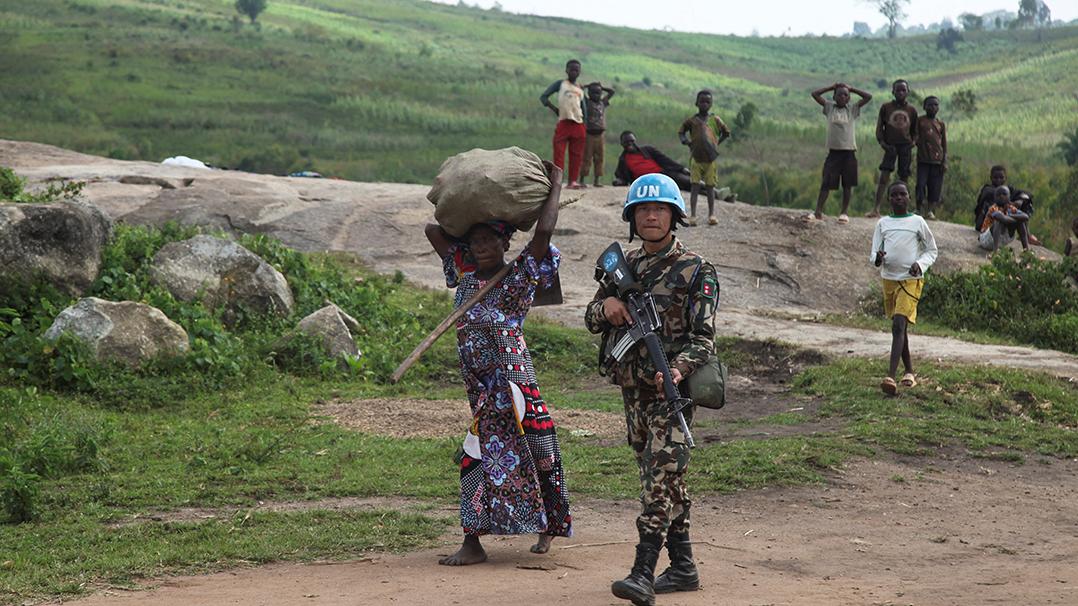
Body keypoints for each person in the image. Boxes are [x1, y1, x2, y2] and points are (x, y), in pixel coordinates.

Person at [424, 165, 572, 566]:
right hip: (480, 390)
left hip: (514, 385)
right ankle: (473, 541)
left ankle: (548, 527)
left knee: (537, 449)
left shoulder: (518, 276)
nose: (483, 247)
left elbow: (542, 235)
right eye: (476, 241)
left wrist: (556, 183)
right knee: (476, 455)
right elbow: (431, 230)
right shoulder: (465, 274)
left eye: (490, 239)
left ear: (505, 242)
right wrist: (468, 219)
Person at [584, 173, 719, 604]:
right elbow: (590, 319)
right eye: (643, 210)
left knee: (659, 478)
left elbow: (703, 339)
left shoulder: (697, 269)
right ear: (632, 218)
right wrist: (607, 306)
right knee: (663, 476)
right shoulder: (627, 267)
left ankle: (643, 572)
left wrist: (677, 370)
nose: (652, 216)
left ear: (674, 215)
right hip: (633, 393)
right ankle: (682, 568)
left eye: (659, 209)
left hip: (669, 391)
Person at [870, 181, 938, 395]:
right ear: (889, 199)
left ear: (909, 197)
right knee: (901, 327)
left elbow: (931, 250)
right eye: (894, 195)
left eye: (902, 194)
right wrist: (878, 259)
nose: (899, 198)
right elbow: (873, 253)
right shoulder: (883, 223)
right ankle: (909, 371)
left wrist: (921, 264)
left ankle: (890, 376)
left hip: (910, 279)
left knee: (898, 325)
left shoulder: (918, 221)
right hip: (889, 280)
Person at [808, 82, 873, 223]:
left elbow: (868, 97)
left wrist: (852, 88)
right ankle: (818, 211)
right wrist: (831, 86)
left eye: (845, 95)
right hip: (833, 153)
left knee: (847, 184)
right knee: (826, 182)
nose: (842, 97)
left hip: (849, 152)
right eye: (839, 94)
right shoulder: (829, 107)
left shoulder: (852, 109)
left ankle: (844, 212)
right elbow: (815, 94)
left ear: (849, 98)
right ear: (834, 96)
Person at [678, 90, 731, 227]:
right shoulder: (692, 120)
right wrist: (686, 141)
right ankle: (693, 215)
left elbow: (726, 132)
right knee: (694, 187)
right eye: (702, 101)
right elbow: (681, 131)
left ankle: (711, 214)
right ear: (697, 102)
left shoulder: (715, 120)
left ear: (711, 104)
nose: (704, 104)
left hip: (711, 158)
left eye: (707, 101)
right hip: (696, 158)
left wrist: (716, 143)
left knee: (710, 187)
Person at [867, 80, 918, 218]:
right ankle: (876, 208)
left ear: (908, 92)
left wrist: (913, 143)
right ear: (893, 92)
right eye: (898, 90)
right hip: (890, 147)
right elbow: (880, 127)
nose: (900, 93)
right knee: (884, 177)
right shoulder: (886, 107)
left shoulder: (912, 110)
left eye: (903, 90)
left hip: (906, 147)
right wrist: (882, 143)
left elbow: (915, 131)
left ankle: (903, 211)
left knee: (904, 177)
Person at [540, 59, 588, 189]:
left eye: (576, 70)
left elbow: (583, 107)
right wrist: (555, 109)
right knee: (559, 153)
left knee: (576, 155)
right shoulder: (560, 84)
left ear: (579, 72)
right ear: (566, 70)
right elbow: (544, 97)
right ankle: (558, 181)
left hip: (578, 123)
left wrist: (586, 124)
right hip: (564, 122)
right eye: (571, 69)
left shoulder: (579, 88)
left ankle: (573, 181)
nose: (574, 71)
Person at [973, 165, 1040, 245]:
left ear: (1006, 178)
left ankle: (1027, 236)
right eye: (995, 178)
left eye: (1001, 178)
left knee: (1025, 203)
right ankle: (996, 249)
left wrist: (1020, 200)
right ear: (991, 178)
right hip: (988, 224)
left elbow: (1027, 194)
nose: (998, 180)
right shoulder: (987, 190)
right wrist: (1011, 203)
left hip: (1005, 218)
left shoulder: (1007, 189)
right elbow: (1000, 198)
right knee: (1011, 214)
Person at [613, 131, 693, 191]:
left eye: (631, 141)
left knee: (688, 181)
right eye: (626, 142)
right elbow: (621, 175)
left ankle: (703, 189)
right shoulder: (623, 159)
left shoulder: (647, 150)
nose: (629, 144)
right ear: (622, 144)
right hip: (646, 182)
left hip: (663, 174)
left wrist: (681, 168)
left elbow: (665, 160)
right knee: (680, 186)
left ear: (634, 141)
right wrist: (619, 181)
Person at [915, 96, 947, 219]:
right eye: (930, 105)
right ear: (924, 107)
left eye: (935, 105)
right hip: (923, 159)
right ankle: (918, 209)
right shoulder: (920, 121)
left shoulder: (940, 124)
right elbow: (915, 136)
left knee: (935, 186)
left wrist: (944, 160)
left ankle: (930, 211)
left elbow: (944, 144)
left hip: (937, 161)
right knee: (921, 184)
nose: (933, 107)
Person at [581, 82, 615, 187]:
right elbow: (580, 91)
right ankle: (581, 179)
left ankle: (597, 180)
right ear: (589, 93)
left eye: (598, 93)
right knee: (587, 157)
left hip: (600, 135)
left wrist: (602, 87)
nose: (596, 95)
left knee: (599, 157)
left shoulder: (602, 103)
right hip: (589, 134)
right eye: (593, 92)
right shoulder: (586, 103)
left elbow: (612, 92)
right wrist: (586, 86)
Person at [978, 186, 1031, 252]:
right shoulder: (993, 208)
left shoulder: (1011, 208)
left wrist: (1010, 216)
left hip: (1002, 239)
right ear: (995, 198)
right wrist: (1016, 218)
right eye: (998, 195)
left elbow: (1025, 217)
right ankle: (995, 251)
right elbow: (1002, 219)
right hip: (987, 239)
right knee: (999, 221)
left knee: (1021, 222)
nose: (1001, 196)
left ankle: (1026, 251)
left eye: (1004, 194)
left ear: (1009, 197)